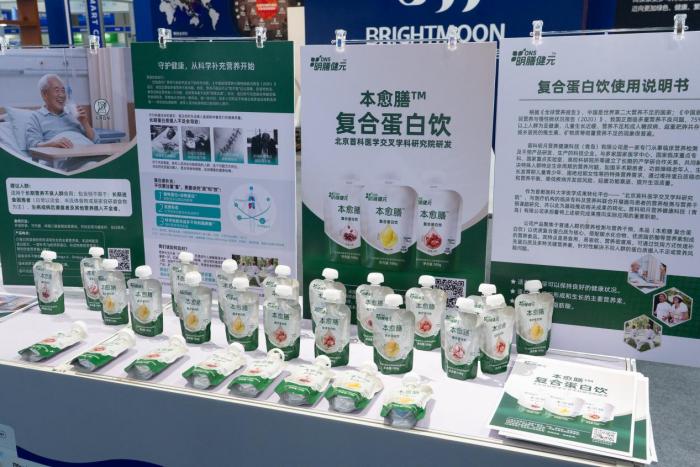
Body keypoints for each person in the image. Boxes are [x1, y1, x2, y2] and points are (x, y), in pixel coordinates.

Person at [25, 74, 97, 150]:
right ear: (44, 94)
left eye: (63, 91)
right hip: (63, 155)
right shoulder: (36, 117)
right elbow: (32, 146)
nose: (62, 95)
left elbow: (95, 141)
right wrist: (52, 144)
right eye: (57, 90)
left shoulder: (74, 114)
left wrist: (85, 122)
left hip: (86, 151)